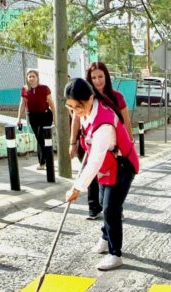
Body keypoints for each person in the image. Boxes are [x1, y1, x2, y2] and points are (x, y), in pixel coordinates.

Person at [64, 78, 139, 271]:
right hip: (108, 165)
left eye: (78, 107)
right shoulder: (86, 112)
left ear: (90, 98)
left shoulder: (103, 122)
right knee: (102, 199)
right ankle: (106, 237)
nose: (75, 112)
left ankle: (115, 254)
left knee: (110, 209)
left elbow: (95, 159)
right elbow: (92, 151)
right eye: (71, 107)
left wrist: (77, 188)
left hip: (122, 165)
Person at [69, 62, 132, 220]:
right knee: (92, 173)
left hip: (112, 147)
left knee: (111, 181)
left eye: (100, 76)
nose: (97, 81)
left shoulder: (116, 97)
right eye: (93, 77)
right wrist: (72, 142)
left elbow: (126, 121)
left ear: (106, 77)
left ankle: (113, 209)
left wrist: (129, 143)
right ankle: (94, 207)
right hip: (89, 142)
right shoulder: (85, 97)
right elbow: (76, 119)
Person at [16, 69, 58, 170]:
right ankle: (44, 162)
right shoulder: (24, 89)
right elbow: (22, 104)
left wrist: (55, 119)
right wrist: (19, 119)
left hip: (45, 115)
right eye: (29, 76)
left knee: (44, 138)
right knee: (39, 139)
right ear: (27, 78)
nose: (31, 78)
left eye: (33, 76)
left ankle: (45, 162)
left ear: (37, 77)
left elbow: (51, 103)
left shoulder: (44, 88)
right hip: (33, 117)